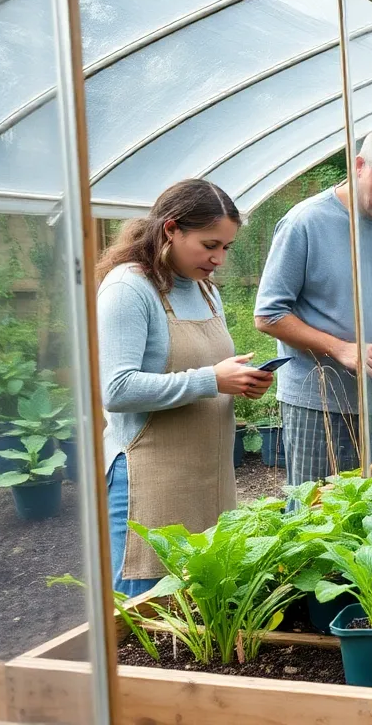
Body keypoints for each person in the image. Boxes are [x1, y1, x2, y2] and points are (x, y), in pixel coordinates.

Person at [97, 180, 274, 595]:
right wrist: (212, 379)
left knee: (201, 611)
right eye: (209, 244)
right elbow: (117, 389)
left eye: (226, 248)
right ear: (171, 229)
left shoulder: (203, 289)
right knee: (145, 614)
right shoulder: (129, 288)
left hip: (209, 477)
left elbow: (205, 378)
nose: (218, 259)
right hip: (151, 478)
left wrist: (241, 382)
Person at [255, 126, 372, 485]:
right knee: (313, 513)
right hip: (316, 403)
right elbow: (268, 315)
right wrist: (341, 349)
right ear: (359, 165)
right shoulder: (305, 222)